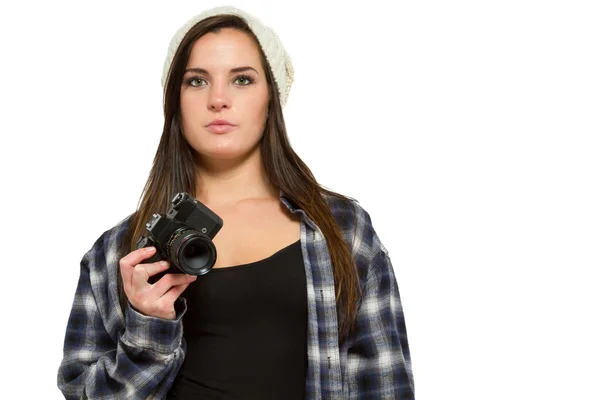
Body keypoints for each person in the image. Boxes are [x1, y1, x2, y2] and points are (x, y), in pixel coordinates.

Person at [57, 5, 414, 399]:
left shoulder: (343, 230)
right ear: (175, 99)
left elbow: (385, 384)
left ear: (271, 96)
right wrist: (148, 328)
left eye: (242, 79)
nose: (218, 99)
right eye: (196, 81)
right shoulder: (117, 253)